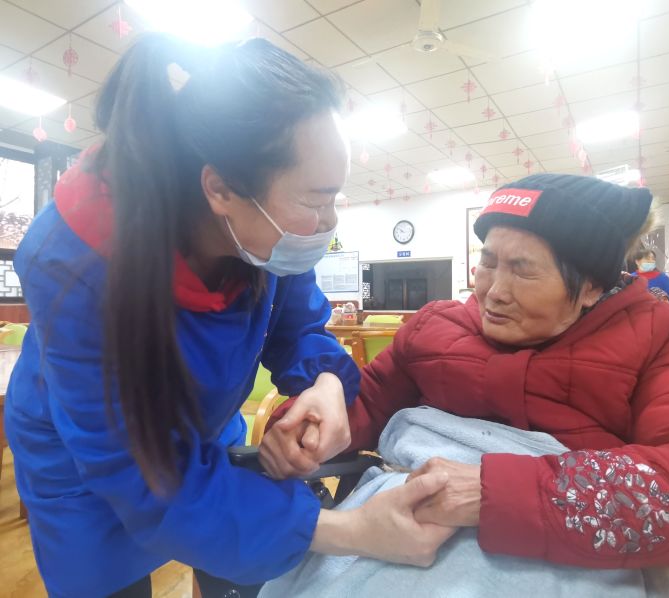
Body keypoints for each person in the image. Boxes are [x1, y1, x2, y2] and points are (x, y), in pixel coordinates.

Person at [5, 34, 454, 598]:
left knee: (239, 562)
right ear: (219, 188)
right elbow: (138, 474)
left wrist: (324, 385)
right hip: (88, 463)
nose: (328, 223)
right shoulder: (74, 265)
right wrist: (352, 531)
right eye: (314, 200)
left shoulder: (265, 234)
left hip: (207, 425)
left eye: (334, 199)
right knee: (108, 580)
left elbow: (297, 327)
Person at [262, 174, 669, 575]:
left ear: (590, 286)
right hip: (393, 535)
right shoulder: (436, 325)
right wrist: (308, 427)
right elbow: (367, 403)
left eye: (523, 270)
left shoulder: (660, 340)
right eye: (488, 263)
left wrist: (492, 494)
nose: (493, 291)